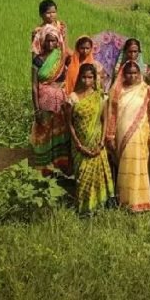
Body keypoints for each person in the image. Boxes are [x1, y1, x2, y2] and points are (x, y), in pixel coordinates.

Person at [105, 61, 150, 212]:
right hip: (122, 133)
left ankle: (141, 201)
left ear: (139, 74)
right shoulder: (117, 91)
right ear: (123, 74)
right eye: (129, 73)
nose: (132, 76)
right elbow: (112, 115)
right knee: (125, 164)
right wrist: (111, 136)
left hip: (139, 132)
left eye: (135, 73)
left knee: (139, 164)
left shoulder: (146, 90)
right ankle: (125, 200)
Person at [64, 63, 113, 213]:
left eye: (90, 77)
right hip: (80, 146)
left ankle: (98, 207)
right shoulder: (72, 98)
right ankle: (84, 209)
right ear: (79, 78)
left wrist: (101, 142)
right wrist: (78, 144)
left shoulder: (101, 98)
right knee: (82, 176)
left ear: (95, 79)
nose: (87, 81)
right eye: (84, 77)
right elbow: (69, 123)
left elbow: (104, 121)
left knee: (98, 176)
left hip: (97, 144)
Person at [30, 24, 71, 176]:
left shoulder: (61, 57)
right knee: (44, 133)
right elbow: (34, 86)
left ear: (58, 41)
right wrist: (36, 110)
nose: (50, 44)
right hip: (44, 101)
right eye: (47, 41)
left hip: (60, 101)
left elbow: (74, 65)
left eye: (54, 41)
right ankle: (43, 169)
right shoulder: (38, 60)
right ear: (42, 41)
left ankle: (61, 166)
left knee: (60, 132)